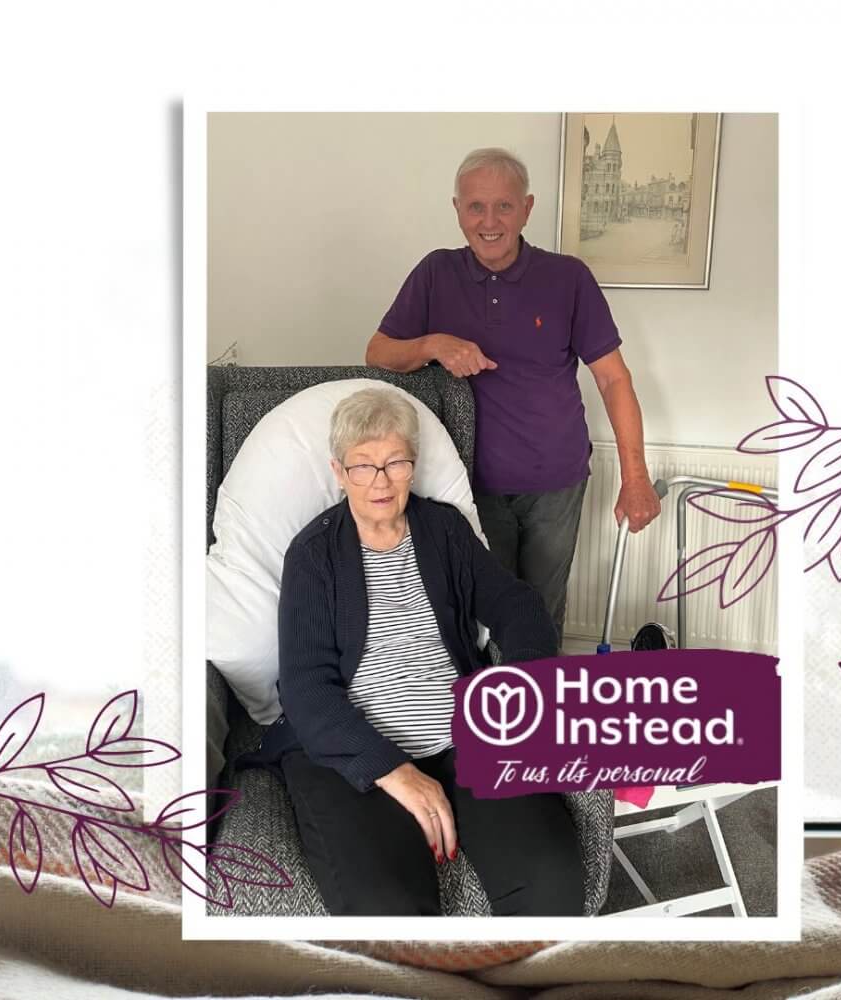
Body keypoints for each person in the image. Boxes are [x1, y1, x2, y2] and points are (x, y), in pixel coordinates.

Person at [269, 387, 585, 916]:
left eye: (395, 462)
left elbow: (519, 606)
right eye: (363, 466)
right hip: (354, 757)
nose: (380, 480)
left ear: (412, 466)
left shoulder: (444, 531)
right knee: (386, 908)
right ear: (338, 471)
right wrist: (394, 770)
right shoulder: (313, 556)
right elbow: (305, 690)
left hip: (466, 738)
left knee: (550, 881)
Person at [366, 147, 661, 648]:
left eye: (503, 206)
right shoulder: (436, 273)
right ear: (457, 209)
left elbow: (614, 380)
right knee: (476, 618)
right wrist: (434, 344)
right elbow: (378, 353)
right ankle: (486, 716)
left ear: (526, 209)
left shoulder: (569, 278)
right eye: (476, 207)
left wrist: (636, 478)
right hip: (467, 484)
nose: (489, 221)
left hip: (556, 484)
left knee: (540, 616)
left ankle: (537, 717)